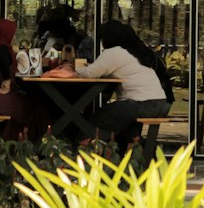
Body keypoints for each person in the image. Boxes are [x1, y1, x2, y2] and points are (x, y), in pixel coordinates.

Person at [73, 20, 171, 150]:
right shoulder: (133, 51)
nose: (102, 43)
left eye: (103, 39)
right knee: (121, 120)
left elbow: (90, 73)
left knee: (101, 116)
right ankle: (137, 148)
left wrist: (73, 67)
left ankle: (81, 150)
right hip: (160, 104)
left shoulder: (114, 52)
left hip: (142, 104)